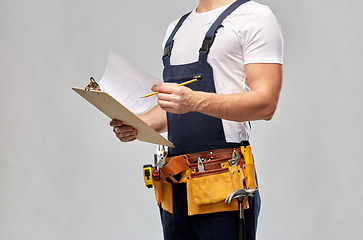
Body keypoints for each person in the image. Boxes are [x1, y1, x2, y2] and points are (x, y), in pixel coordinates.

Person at [110, 0, 283, 239]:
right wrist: (139, 125)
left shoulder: (254, 16)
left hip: (224, 188)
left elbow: (266, 103)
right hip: (174, 188)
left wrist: (194, 101)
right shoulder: (176, 29)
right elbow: (175, 109)